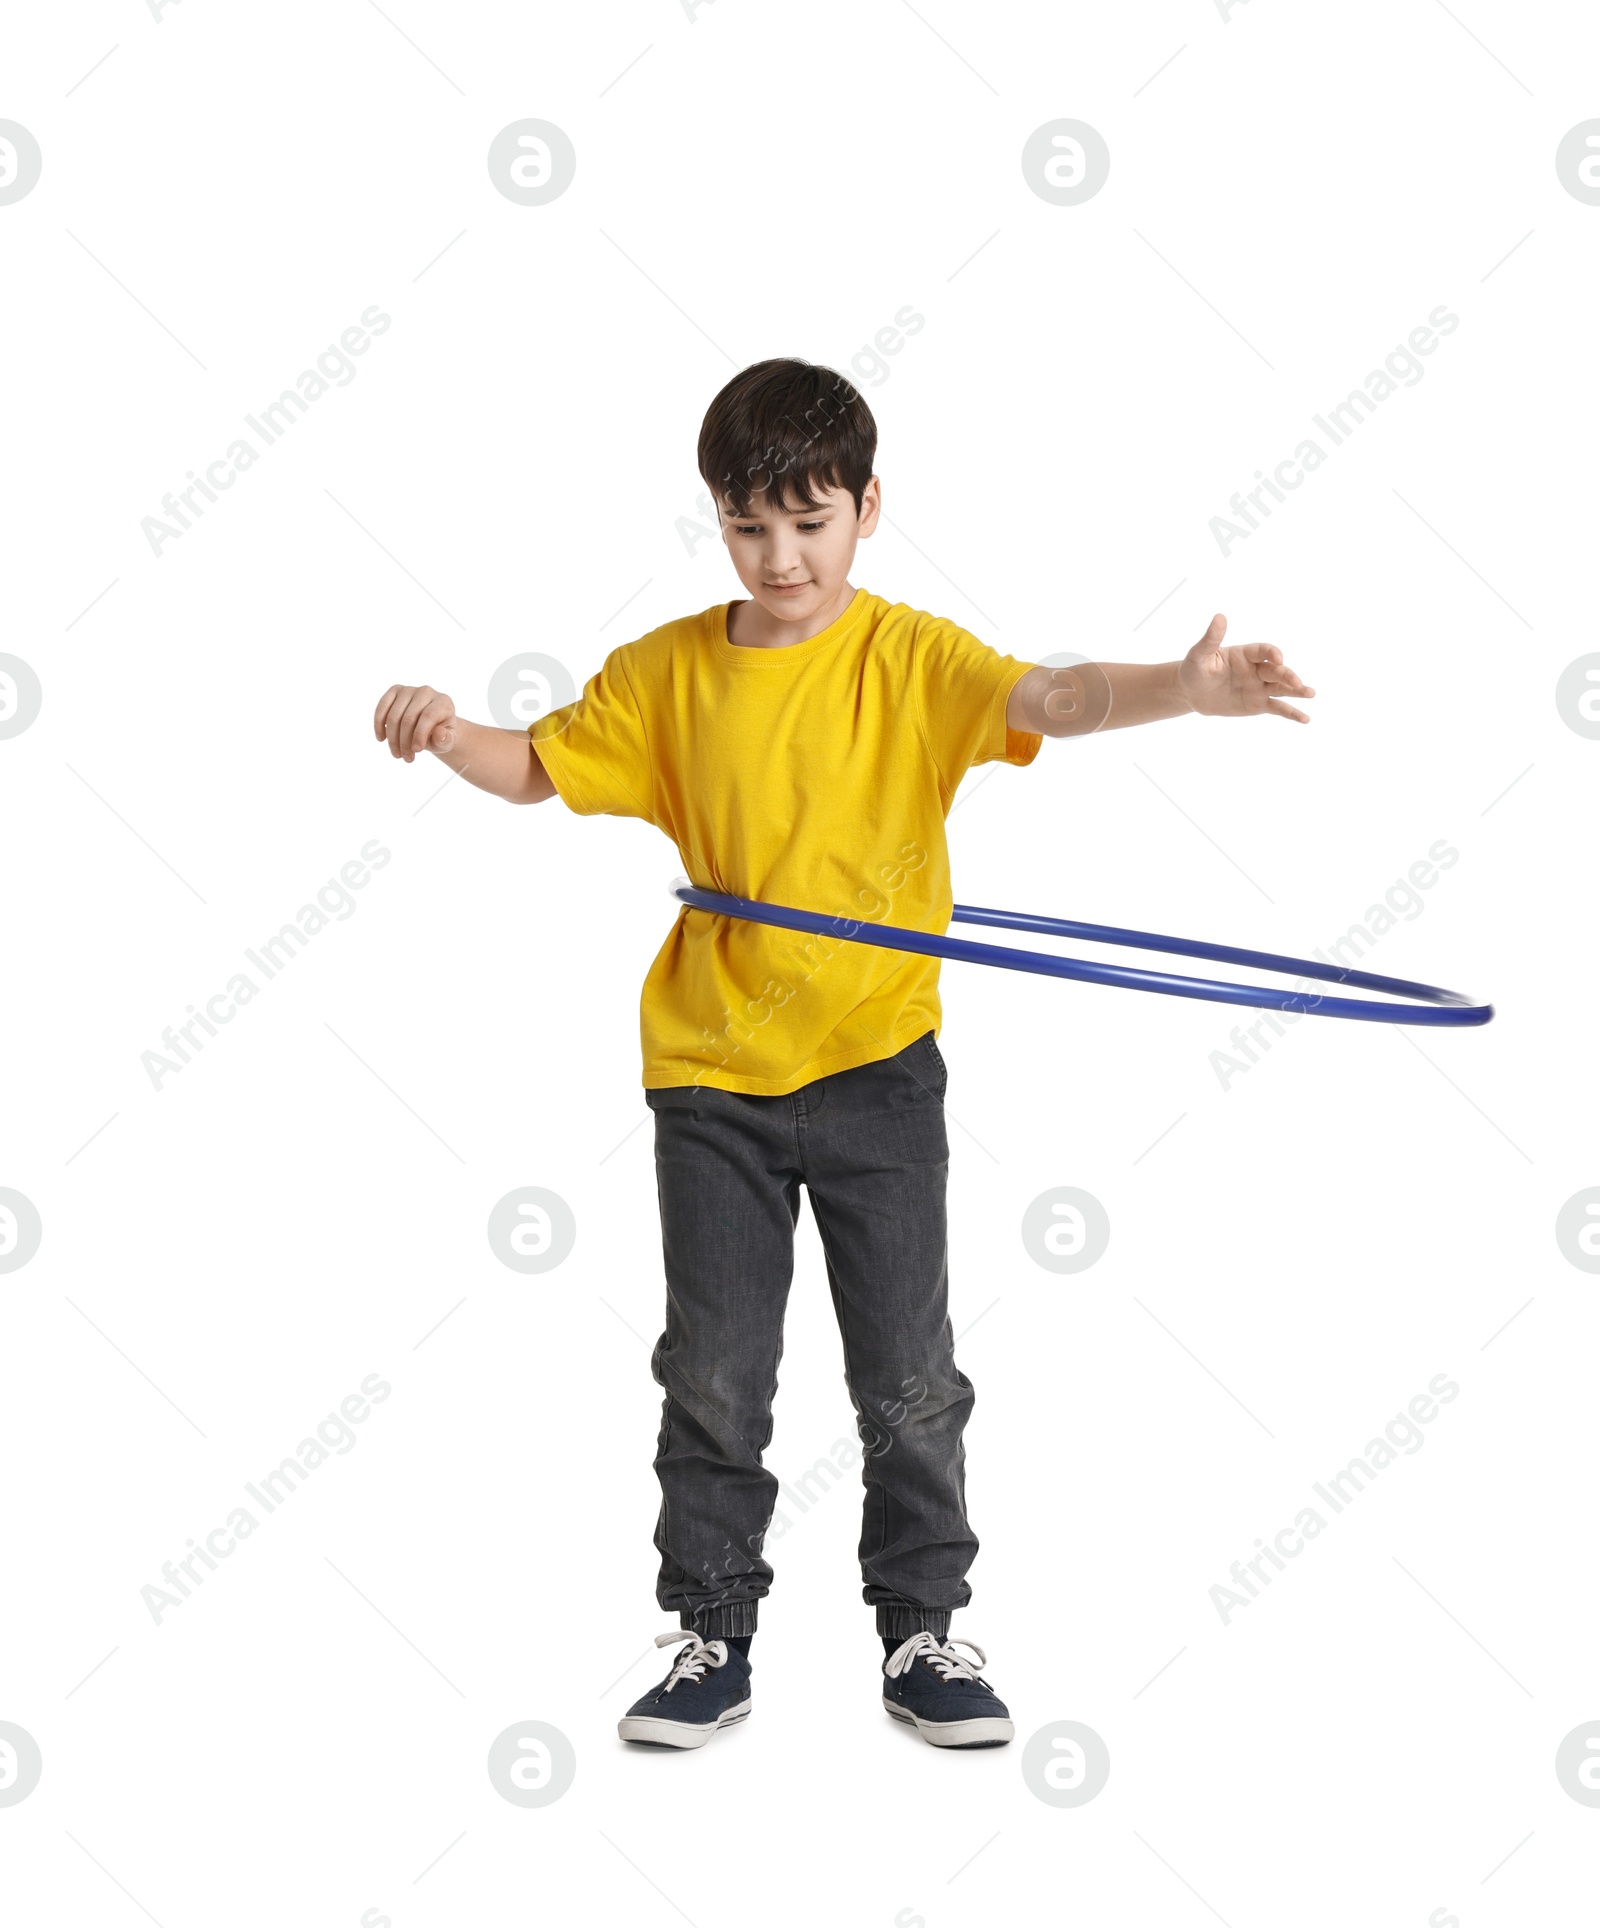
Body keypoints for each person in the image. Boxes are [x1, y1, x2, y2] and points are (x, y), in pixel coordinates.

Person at [372, 358, 1315, 1751]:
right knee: (714, 1369)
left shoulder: (913, 661)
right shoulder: (670, 672)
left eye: (811, 522)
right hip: (712, 1082)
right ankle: (708, 1636)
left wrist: (1183, 686)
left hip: (876, 1070)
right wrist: (448, 731)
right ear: (718, 520)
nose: (782, 556)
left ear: (869, 509)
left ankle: (922, 1631)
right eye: (750, 526)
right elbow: (539, 770)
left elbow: (1048, 699)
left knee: (909, 1373)